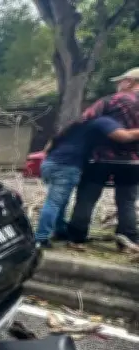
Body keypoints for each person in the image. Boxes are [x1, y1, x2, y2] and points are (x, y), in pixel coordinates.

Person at [35, 117, 139, 248]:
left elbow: (51, 143)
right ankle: (41, 237)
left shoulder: (76, 124)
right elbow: (123, 136)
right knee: (54, 202)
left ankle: (60, 230)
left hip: (50, 163)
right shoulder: (102, 120)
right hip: (67, 166)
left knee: (60, 201)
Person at [64, 68, 139, 250]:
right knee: (127, 200)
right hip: (132, 161)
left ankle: (77, 235)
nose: (117, 84)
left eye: (120, 81)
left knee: (87, 197)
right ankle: (127, 238)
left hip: (100, 158)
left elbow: (84, 119)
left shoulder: (109, 101)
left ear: (129, 82)